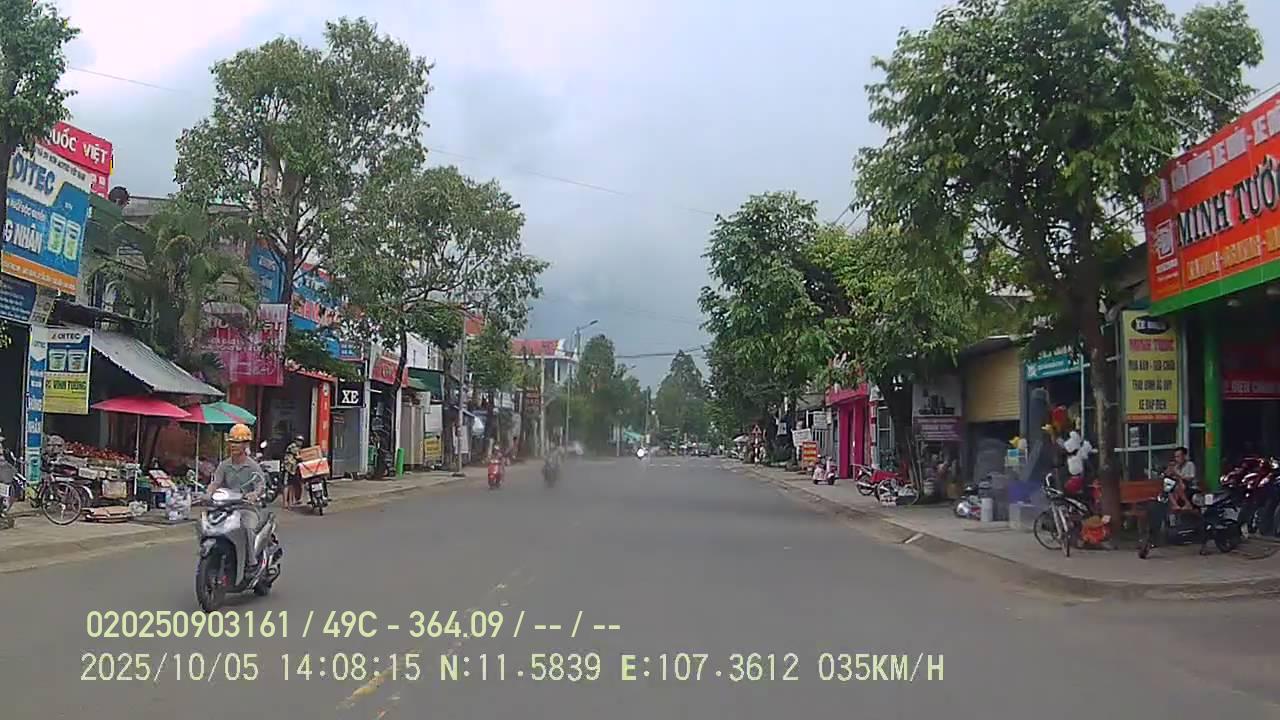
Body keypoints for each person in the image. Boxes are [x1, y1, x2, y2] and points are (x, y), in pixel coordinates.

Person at [207, 424, 267, 555]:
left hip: (247, 508)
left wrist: (254, 494)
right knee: (208, 524)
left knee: (247, 528)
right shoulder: (224, 465)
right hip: (226, 508)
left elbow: (260, 485)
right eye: (232, 442)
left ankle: (251, 560)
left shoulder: (253, 466)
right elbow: (216, 482)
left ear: (245, 445)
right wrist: (209, 492)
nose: (234, 445)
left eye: (238, 443)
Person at [283, 435, 303, 508]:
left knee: (291, 486)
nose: (300, 442)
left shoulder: (297, 448)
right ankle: (285, 502)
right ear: (296, 440)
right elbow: (298, 457)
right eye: (299, 440)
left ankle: (291, 502)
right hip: (288, 468)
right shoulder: (293, 447)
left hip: (293, 469)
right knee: (286, 485)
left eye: (301, 441)